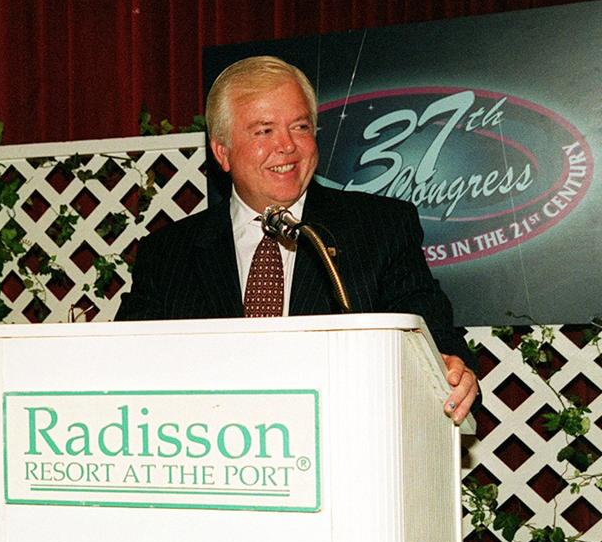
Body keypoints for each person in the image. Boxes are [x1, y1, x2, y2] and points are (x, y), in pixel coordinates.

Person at [117, 55, 479, 423]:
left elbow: (439, 345)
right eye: (264, 131)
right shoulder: (166, 255)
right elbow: (122, 372)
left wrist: (454, 372)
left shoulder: (382, 228)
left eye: (301, 127)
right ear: (222, 152)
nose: (288, 146)